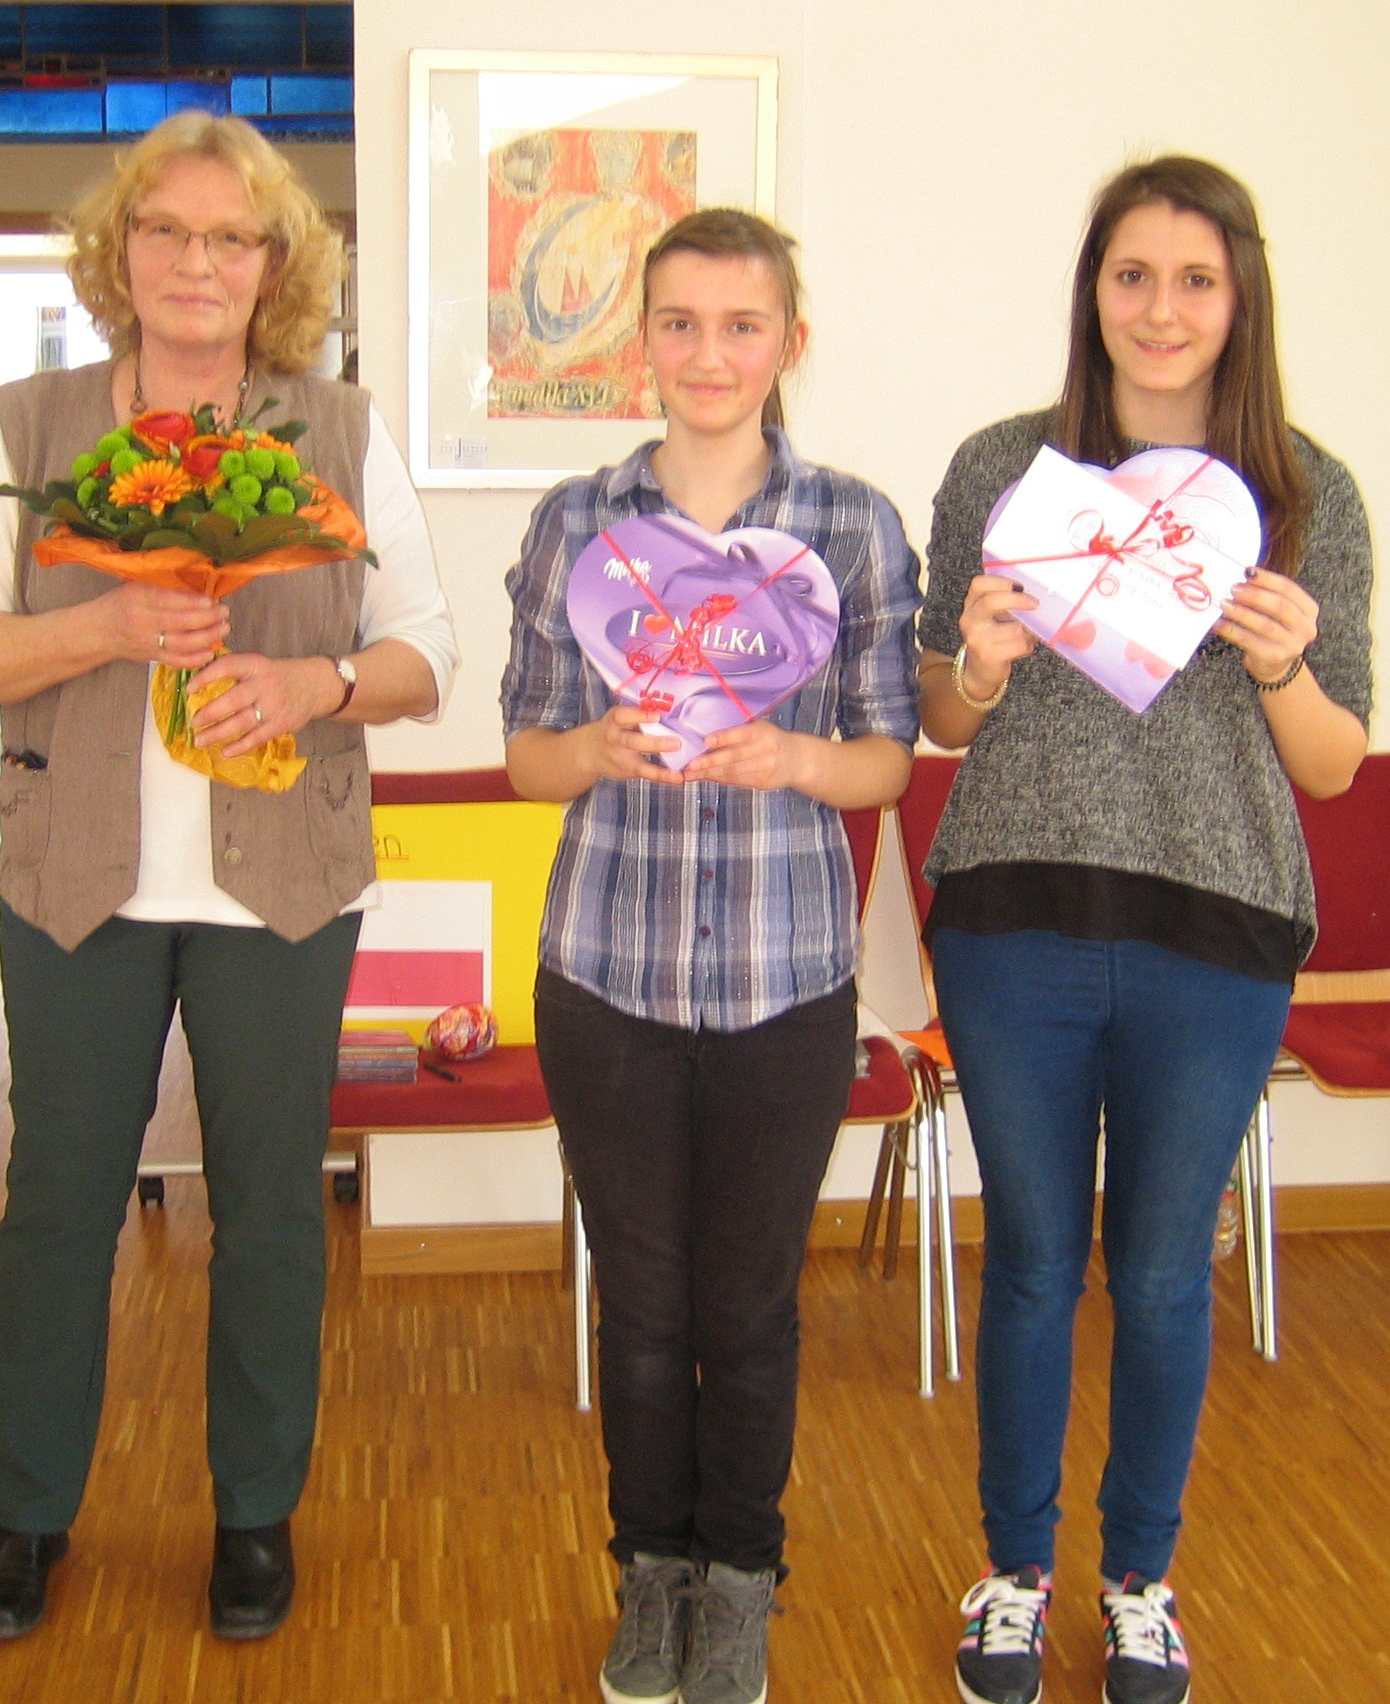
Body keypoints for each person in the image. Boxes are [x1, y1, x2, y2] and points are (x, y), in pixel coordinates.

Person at [0, 111, 457, 1643]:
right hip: (72, 883)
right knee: (56, 1204)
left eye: (231, 236)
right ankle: (29, 1512)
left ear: (274, 264)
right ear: (121, 252)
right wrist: (103, 624)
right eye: (167, 229)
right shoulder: (31, 430)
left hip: (280, 889)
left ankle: (254, 1516)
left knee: (272, 1211)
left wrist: (315, 686)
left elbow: (430, 655)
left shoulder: (339, 431)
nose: (197, 261)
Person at [918, 157, 1371, 1704]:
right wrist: (977, 664)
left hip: (1218, 927)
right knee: (1034, 1264)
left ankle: (1139, 1586)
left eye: (1194, 280)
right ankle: (1013, 1575)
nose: (1160, 310)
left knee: (1168, 1273)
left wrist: (1284, 665)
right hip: (1014, 918)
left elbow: (1334, 764)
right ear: (1091, 290)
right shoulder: (1004, 468)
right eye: (1132, 275)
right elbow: (941, 720)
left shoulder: (1305, 494)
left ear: (1240, 300)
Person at [501, 210, 921, 1704]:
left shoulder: (853, 525)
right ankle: (650, 1576)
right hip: (603, 975)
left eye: (742, 325)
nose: (709, 353)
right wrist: (596, 747)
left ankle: (740, 1583)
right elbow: (526, 760)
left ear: (789, 343)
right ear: (643, 343)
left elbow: (889, 758)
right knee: (642, 1303)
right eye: (679, 323)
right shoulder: (577, 525)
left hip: (783, 982)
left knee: (748, 1309)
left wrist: (795, 760)